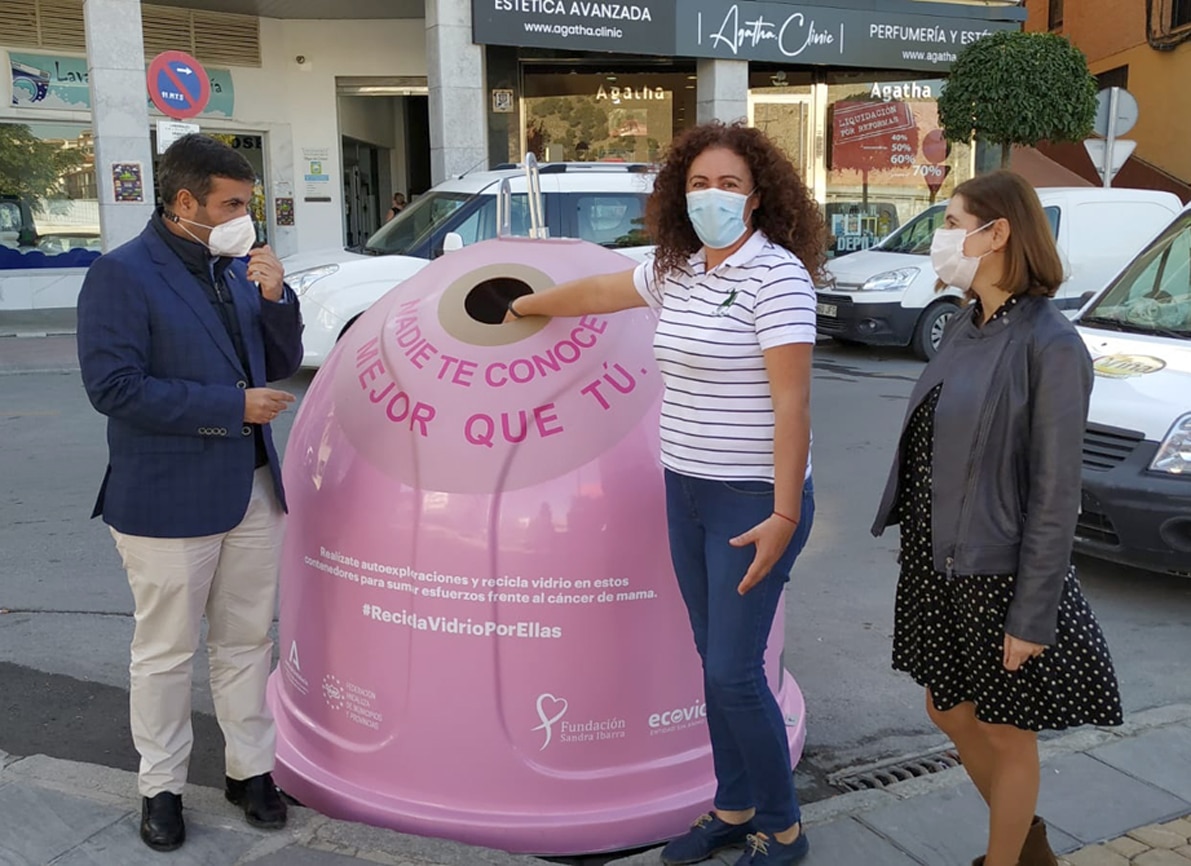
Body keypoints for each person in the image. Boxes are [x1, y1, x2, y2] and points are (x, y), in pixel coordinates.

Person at [506, 120, 824, 866]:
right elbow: (598, 291)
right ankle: (732, 803)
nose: (711, 196)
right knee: (710, 658)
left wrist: (782, 512)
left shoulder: (776, 277)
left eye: (729, 185)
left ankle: (781, 828)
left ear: (756, 199)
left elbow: (793, 406)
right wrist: (522, 307)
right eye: (698, 183)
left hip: (753, 502)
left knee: (733, 671)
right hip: (684, 489)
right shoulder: (674, 268)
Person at [871, 171, 1123, 866]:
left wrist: (1031, 613)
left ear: (997, 232)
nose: (942, 240)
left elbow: (1054, 490)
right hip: (935, 561)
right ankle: (1028, 844)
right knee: (944, 709)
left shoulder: (1051, 343)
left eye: (952, 222)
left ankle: (1004, 858)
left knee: (1007, 731)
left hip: (994, 571)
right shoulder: (963, 323)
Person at [76, 134, 304, 852]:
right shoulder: (120, 275)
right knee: (167, 651)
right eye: (232, 204)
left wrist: (275, 297)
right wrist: (228, 408)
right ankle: (162, 785)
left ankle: (250, 770)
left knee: (245, 641)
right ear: (184, 203)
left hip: (253, 487)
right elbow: (114, 388)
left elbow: (279, 361)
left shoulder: (233, 267)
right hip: (166, 495)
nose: (246, 218)